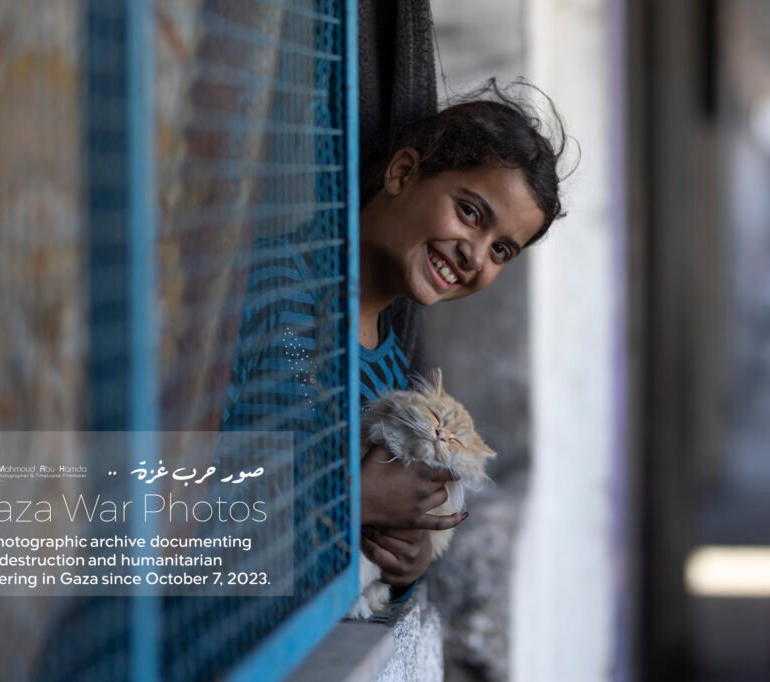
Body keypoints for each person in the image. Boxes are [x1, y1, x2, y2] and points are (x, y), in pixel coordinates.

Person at [223, 79, 567, 599]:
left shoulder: (390, 371)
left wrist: (410, 555)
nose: (475, 255)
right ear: (403, 173)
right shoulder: (266, 287)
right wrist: (346, 497)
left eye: (501, 251)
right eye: (470, 213)